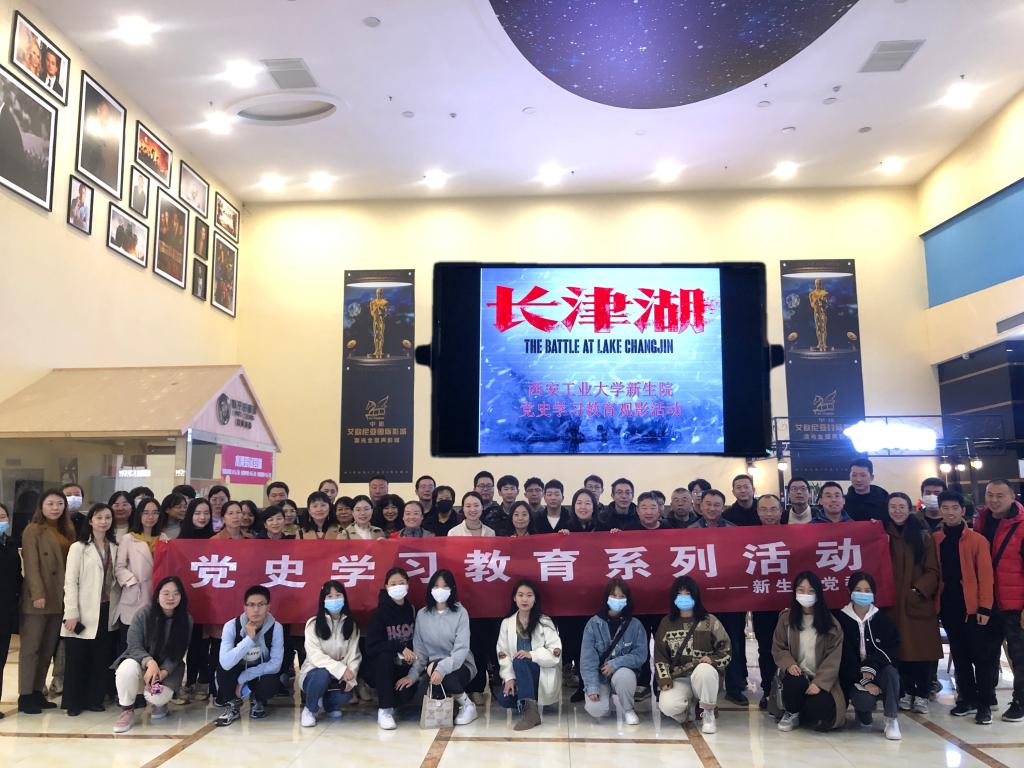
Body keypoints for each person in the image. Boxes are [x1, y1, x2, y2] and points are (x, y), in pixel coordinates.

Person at [934, 490, 998, 723]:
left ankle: (985, 704)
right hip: (949, 606)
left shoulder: (977, 540)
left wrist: (985, 607)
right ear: (940, 510)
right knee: (959, 655)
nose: (950, 512)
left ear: (963, 510)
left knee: (981, 657)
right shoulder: (936, 539)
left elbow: (986, 576)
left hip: (973, 608)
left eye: (954, 508)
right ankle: (967, 699)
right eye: (945, 508)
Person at [882, 492, 941, 714]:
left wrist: (917, 591)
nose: (897, 511)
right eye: (893, 506)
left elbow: (932, 570)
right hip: (892, 605)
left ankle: (923, 693)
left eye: (901, 506)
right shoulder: (882, 535)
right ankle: (906, 692)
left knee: (921, 651)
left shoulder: (923, 536)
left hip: (917, 602)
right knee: (899, 651)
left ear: (910, 509)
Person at [61, 503, 121, 716]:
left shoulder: (115, 547)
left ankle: (94, 699)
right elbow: (70, 582)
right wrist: (71, 612)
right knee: (77, 658)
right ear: (90, 521)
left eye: (107, 518)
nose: (104, 521)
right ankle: (73, 702)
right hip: (83, 610)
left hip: (106, 609)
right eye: (99, 517)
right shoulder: (79, 547)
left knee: (100, 657)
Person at [18, 489, 75, 714]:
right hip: (39, 598)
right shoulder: (33, 530)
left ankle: (37, 692)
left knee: (47, 649)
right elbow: (31, 564)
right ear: (41, 506)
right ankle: (25, 695)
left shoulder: (66, 529)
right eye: (50, 503)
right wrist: (37, 594)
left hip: (60, 597)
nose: (55, 508)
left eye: (59, 504)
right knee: (31, 648)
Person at [397, 569, 479, 725]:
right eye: (436, 586)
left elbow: (461, 650)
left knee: (446, 677)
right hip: (432, 669)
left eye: (445, 586)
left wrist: (441, 668)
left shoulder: (460, 613)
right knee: (410, 695)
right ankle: (448, 702)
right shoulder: (422, 615)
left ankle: (468, 705)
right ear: (430, 589)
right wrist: (413, 675)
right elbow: (420, 652)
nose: (440, 590)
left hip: (460, 665)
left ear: (452, 589)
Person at [111, 576, 192, 733]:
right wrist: (150, 662)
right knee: (126, 669)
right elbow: (133, 645)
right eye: (166, 593)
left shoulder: (186, 619)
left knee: (158, 697)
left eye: (176, 594)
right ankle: (127, 710)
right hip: (140, 662)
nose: (171, 598)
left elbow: (178, 654)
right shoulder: (143, 614)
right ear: (157, 595)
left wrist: (161, 674)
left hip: (167, 670)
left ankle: (160, 704)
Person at [972, 479, 1024, 722]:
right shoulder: (980, 521)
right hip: (988, 601)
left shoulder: (1022, 525)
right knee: (986, 653)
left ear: (1012, 497)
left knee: (1019, 656)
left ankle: (1020, 701)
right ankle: (987, 696)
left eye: (1000, 495)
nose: (994, 500)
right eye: (989, 494)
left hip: (1015, 603)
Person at [770, 571, 846, 732]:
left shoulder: (831, 624)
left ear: (818, 594)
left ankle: (805, 710)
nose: (806, 595)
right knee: (794, 682)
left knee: (819, 710)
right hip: (797, 674)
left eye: (811, 591)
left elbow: (833, 658)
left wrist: (819, 683)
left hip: (820, 679)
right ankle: (792, 713)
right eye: (801, 590)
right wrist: (789, 664)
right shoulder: (786, 619)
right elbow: (779, 647)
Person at [654, 576, 731, 733]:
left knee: (704, 670)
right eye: (679, 594)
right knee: (668, 706)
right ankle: (690, 710)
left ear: (695, 595)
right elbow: (660, 656)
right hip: (679, 678)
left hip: (703, 677)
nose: (683, 597)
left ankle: (708, 713)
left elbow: (727, 652)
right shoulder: (666, 623)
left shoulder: (710, 621)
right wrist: (664, 679)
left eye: (687, 593)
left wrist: (712, 660)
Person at [837, 571, 902, 740]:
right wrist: (863, 679)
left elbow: (891, 649)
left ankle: (891, 719)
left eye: (867, 591)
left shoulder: (882, 619)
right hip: (853, 676)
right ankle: (862, 711)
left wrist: (871, 666)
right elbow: (842, 657)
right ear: (850, 591)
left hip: (879, 671)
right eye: (858, 590)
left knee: (891, 673)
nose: (863, 594)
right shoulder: (840, 619)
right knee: (864, 701)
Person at [496, 579, 563, 730]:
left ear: (535, 599)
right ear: (514, 598)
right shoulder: (507, 623)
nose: (524, 599)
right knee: (504, 699)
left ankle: (531, 714)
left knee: (520, 660)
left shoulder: (545, 622)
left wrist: (532, 655)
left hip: (540, 672)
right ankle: (528, 700)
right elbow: (503, 653)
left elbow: (555, 652)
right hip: (518, 673)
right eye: (520, 595)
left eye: (529, 595)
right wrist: (509, 678)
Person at [580, 577, 648, 724]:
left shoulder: (635, 625)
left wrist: (616, 663)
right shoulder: (593, 624)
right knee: (597, 710)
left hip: (622, 673)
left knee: (624, 676)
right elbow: (587, 660)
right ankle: (606, 700)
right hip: (600, 677)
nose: (617, 599)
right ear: (607, 598)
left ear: (627, 600)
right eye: (614, 595)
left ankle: (628, 709)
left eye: (621, 596)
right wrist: (592, 687)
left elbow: (640, 655)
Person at [215, 585, 285, 726]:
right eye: (251, 605)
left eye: (261, 605)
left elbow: (275, 664)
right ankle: (233, 704)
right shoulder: (231, 626)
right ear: (245, 608)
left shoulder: (276, 627)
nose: (256, 610)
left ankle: (257, 700)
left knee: (271, 680)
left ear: (268, 607)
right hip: (236, 669)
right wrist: (249, 639)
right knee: (223, 669)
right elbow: (226, 662)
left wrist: (244, 677)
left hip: (259, 671)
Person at [299, 580, 361, 727]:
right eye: (330, 596)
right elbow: (315, 656)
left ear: (344, 598)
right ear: (323, 600)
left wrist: (351, 676)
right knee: (322, 674)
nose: (334, 600)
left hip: (339, 676)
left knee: (347, 694)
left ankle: (329, 705)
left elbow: (354, 655)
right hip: (314, 673)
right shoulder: (313, 624)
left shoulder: (351, 625)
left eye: (338, 595)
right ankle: (310, 709)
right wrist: (340, 669)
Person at [364, 568, 418, 729]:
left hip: (404, 668)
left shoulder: (411, 610)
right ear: (386, 586)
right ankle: (384, 710)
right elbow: (371, 646)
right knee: (385, 656)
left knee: (404, 695)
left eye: (401, 583)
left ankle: (392, 702)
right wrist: (398, 647)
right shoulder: (380, 613)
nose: (398, 587)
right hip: (381, 669)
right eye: (393, 584)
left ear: (408, 585)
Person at [114, 497, 165, 641]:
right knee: (130, 640)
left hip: (156, 594)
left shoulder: (163, 538)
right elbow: (119, 567)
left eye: (155, 512)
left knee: (151, 640)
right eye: (146, 512)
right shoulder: (128, 538)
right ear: (139, 515)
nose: (150, 517)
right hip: (135, 593)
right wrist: (132, 581)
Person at [751, 494, 785, 708]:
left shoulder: (794, 534)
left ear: (781, 511)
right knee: (766, 649)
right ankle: (768, 690)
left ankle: (790, 688)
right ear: (757, 512)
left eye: (773, 509)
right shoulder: (749, 537)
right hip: (762, 603)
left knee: (792, 647)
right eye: (764, 509)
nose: (769, 514)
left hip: (789, 603)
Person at [0, 502, 21, 718]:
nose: (0, 521)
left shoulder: (11, 542)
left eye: (2, 517)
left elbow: (16, 575)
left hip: (5, 611)